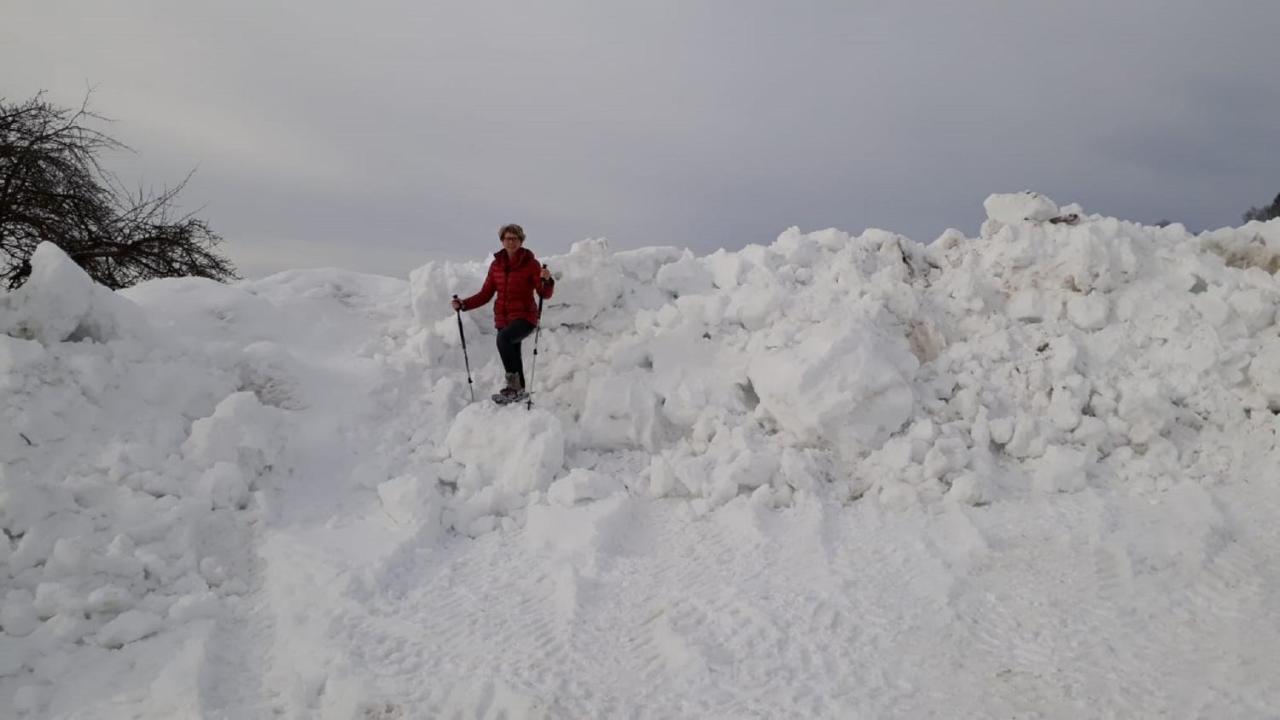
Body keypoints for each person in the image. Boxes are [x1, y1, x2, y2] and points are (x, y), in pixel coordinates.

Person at [452, 223, 555, 401]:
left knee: (504, 339)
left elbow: (543, 293)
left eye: (515, 238)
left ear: (521, 241)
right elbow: (485, 294)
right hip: (503, 318)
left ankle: (513, 387)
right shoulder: (496, 265)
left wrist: (547, 280)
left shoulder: (531, 264)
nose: (511, 242)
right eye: (507, 238)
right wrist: (464, 304)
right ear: (502, 241)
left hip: (525, 317)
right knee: (513, 352)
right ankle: (519, 389)